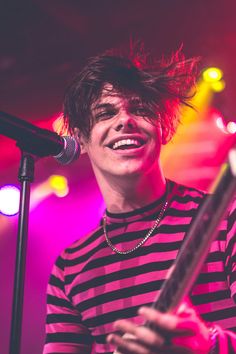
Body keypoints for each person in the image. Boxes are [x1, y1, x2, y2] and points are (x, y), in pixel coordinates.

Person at [43, 48, 236, 354]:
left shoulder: (226, 218)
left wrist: (207, 345)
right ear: (80, 139)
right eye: (106, 113)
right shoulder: (70, 267)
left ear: (165, 128)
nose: (125, 121)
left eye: (140, 109)